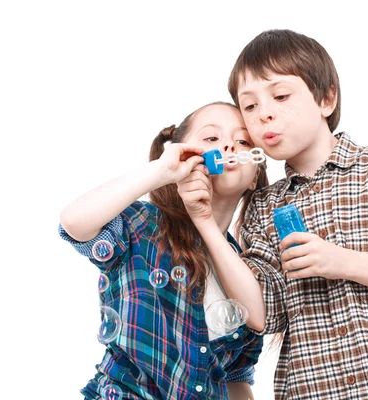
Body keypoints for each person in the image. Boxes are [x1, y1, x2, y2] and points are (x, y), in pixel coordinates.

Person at [178, 29, 368, 399]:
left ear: (326, 99)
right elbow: (263, 314)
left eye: (280, 95)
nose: (264, 113)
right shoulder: (263, 206)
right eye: (249, 106)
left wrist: (342, 262)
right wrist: (206, 225)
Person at [58, 102, 268, 399]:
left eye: (243, 141)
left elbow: (235, 378)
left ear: (256, 174)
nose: (229, 145)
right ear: (182, 155)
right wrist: (162, 171)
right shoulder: (144, 226)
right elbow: (74, 222)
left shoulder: (247, 274)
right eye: (211, 138)